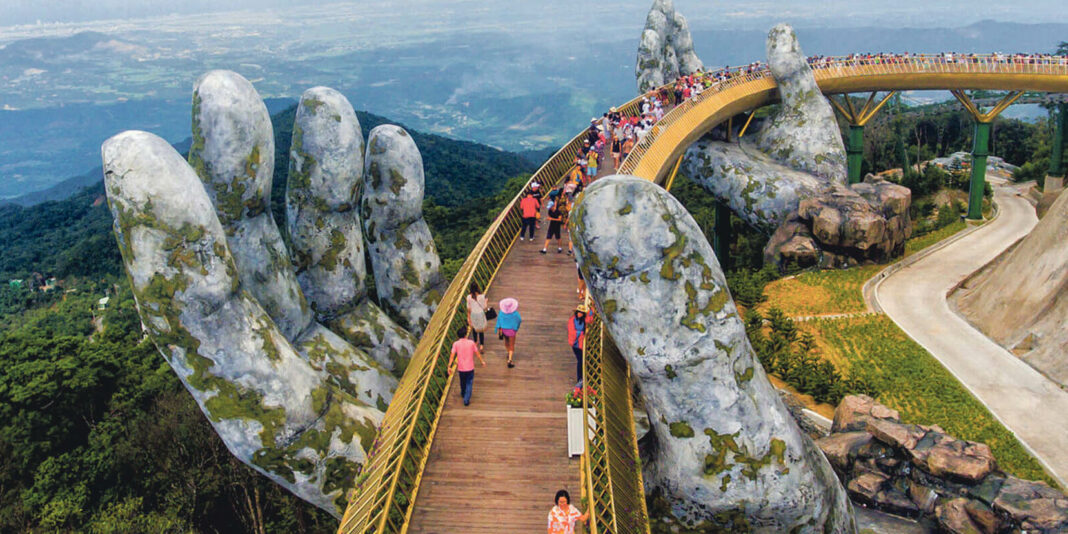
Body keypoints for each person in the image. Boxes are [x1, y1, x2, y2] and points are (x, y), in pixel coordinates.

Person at [448, 325, 485, 406]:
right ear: (465, 335)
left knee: (462, 382)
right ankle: (466, 399)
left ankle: (463, 392)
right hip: (470, 367)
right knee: (469, 383)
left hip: (461, 368)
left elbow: (452, 355)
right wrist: (482, 361)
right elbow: (477, 353)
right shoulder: (471, 343)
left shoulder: (456, 344)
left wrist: (449, 366)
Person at [567, 305, 594, 385]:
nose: (580, 314)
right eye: (579, 313)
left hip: (581, 344)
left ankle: (582, 378)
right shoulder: (572, 320)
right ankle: (580, 378)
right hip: (575, 344)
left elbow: (590, 319)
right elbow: (572, 332)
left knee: (582, 360)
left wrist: (592, 309)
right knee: (580, 360)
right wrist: (582, 333)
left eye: (581, 313)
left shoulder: (583, 321)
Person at [495, 297, 521, 368]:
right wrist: (516, 327)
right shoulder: (515, 314)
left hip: (504, 330)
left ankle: (508, 352)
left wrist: (499, 329)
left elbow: (499, 321)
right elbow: (519, 320)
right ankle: (510, 359)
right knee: (512, 344)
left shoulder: (501, 313)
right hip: (511, 330)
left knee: (506, 342)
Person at [466, 282, 489, 350]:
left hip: (473, 314)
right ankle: (481, 345)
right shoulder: (481, 296)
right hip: (480, 314)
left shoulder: (468, 297)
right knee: (481, 330)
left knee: (474, 329)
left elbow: (468, 308)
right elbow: (484, 307)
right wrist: (486, 301)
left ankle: (475, 342)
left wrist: (468, 317)